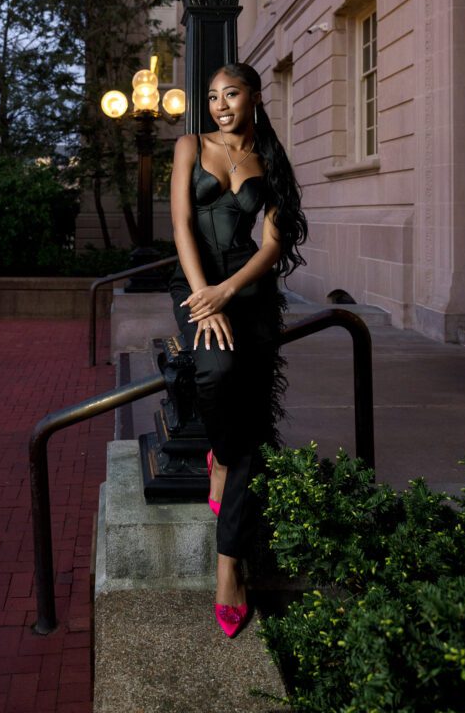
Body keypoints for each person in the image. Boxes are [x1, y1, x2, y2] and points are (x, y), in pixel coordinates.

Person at [169, 62, 307, 637]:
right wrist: (206, 295)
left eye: (232, 94)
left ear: (253, 97)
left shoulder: (270, 157)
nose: (221, 104)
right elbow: (180, 223)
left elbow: (274, 242)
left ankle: (229, 567)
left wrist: (232, 290)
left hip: (247, 286)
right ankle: (220, 459)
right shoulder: (189, 145)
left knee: (248, 414)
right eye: (213, 96)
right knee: (215, 374)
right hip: (199, 280)